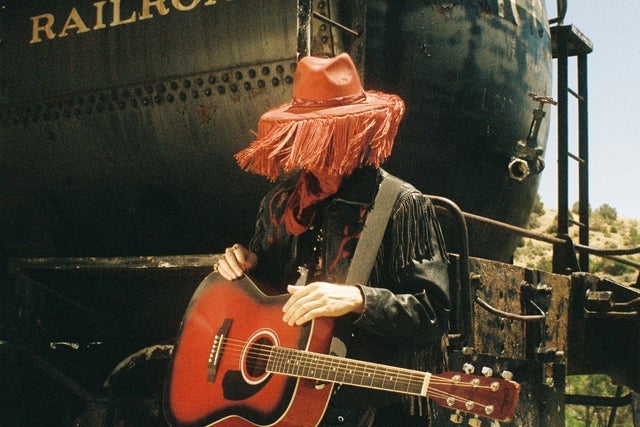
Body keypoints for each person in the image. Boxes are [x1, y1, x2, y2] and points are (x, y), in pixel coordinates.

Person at [216, 53, 450, 426]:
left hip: (363, 404)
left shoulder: (402, 204)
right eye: (309, 131)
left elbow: (432, 314)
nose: (318, 145)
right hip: (281, 394)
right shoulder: (279, 200)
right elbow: (262, 299)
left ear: (356, 129)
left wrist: (359, 299)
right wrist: (246, 265)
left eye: (329, 131)